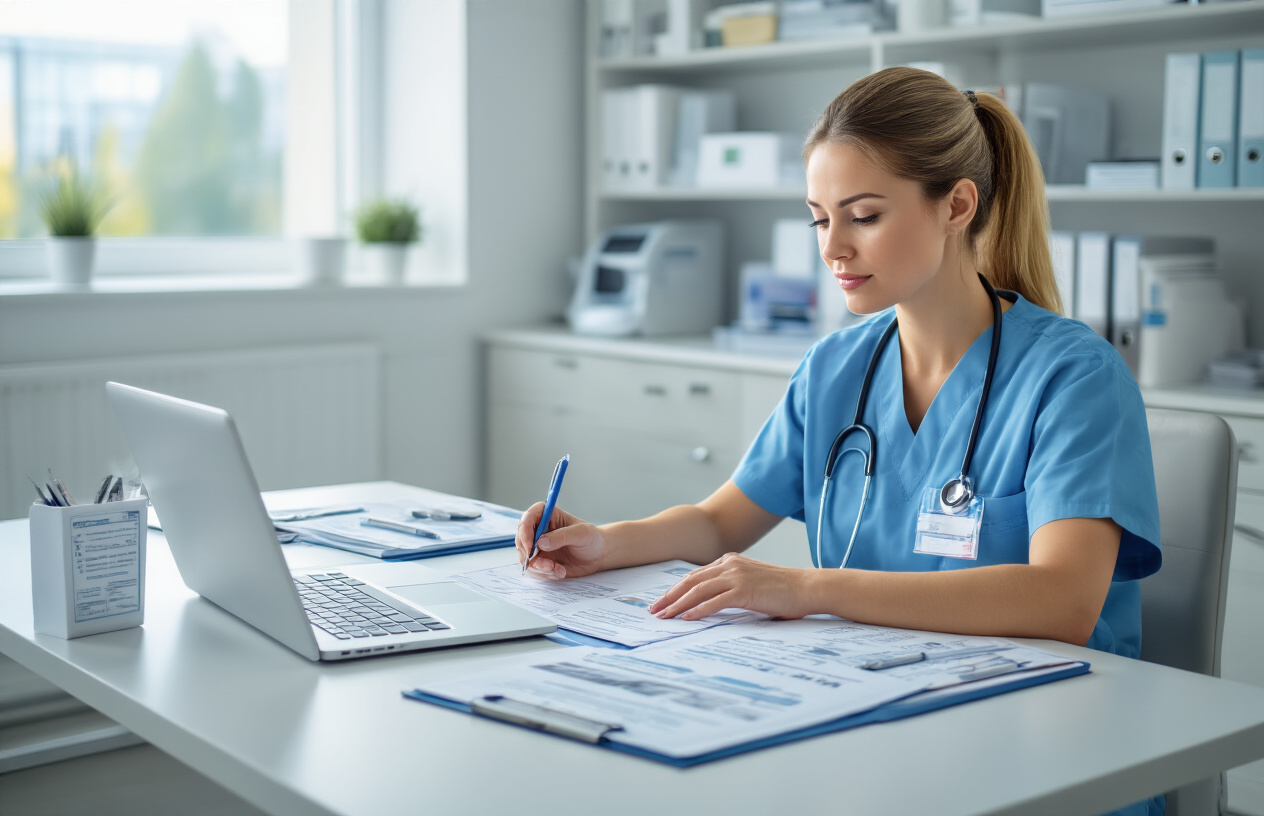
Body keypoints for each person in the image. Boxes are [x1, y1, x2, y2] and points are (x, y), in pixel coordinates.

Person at [516, 67, 1163, 816]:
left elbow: (1063, 601)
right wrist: (605, 543)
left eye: (863, 216)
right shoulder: (836, 368)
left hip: (1054, 746)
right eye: (820, 220)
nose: (834, 248)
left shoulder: (1072, 375)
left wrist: (807, 589)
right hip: (881, 718)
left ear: (957, 205)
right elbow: (721, 522)